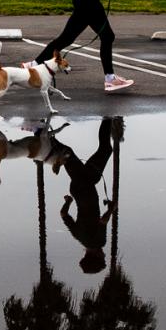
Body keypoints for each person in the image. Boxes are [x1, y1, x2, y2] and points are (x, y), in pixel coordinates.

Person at [57, 117, 118, 273]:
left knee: (104, 149)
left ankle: (108, 118)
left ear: (96, 257)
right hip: (78, 188)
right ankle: (40, 132)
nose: (104, 256)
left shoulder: (98, 242)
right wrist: (69, 201)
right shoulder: (80, 238)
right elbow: (63, 214)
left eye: (102, 258)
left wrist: (111, 209)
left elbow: (103, 221)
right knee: (68, 153)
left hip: (87, 186)